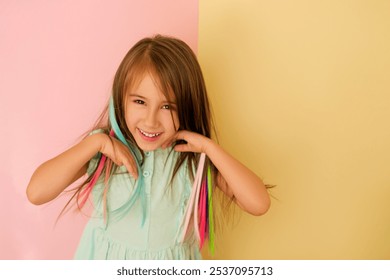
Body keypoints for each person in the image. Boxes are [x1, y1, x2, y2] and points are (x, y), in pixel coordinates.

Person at [26, 35, 270, 260]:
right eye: (140, 102)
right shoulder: (103, 151)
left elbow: (259, 203)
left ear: (187, 107)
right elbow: (36, 192)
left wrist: (209, 147)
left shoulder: (193, 159)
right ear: (121, 98)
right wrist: (95, 142)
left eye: (168, 107)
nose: (151, 120)